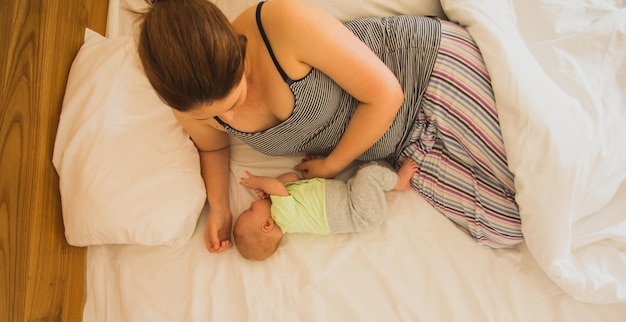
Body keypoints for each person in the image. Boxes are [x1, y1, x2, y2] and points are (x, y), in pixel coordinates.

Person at [137, 0, 523, 253]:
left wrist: (331, 165)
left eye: (234, 101)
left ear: (237, 51)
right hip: (402, 146)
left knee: (539, 187)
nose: (229, 122)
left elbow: (386, 95)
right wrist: (218, 206)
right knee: (506, 225)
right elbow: (213, 147)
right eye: (215, 117)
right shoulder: (187, 99)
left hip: (421, 76)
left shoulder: (278, 24)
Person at [233, 159, 417, 260]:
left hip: (349, 196)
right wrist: (258, 182)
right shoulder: (283, 217)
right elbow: (277, 187)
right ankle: (400, 182)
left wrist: (271, 188)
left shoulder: (283, 204)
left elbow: (291, 177)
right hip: (360, 211)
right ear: (267, 224)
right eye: (250, 210)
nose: (252, 204)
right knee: (368, 175)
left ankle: (386, 179)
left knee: (362, 168)